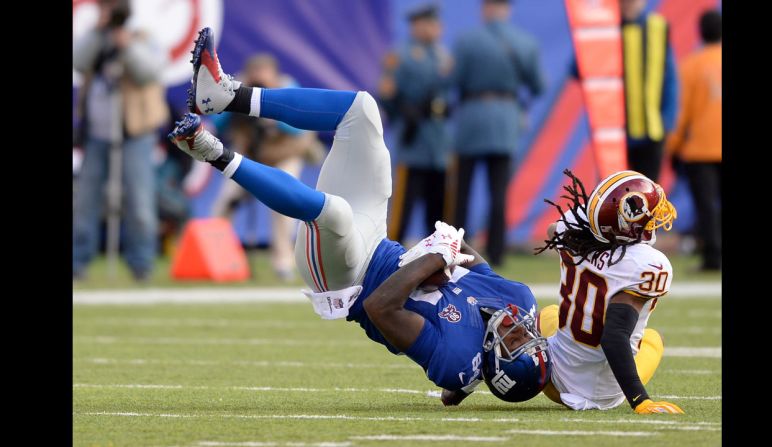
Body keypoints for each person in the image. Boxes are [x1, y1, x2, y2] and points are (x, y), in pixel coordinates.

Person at [173, 27, 551, 404]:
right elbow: (476, 265)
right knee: (362, 110)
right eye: (526, 334)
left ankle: (210, 151)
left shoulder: (457, 359)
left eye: (515, 340)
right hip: (377, 240)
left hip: (347, 279)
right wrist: (453, 243)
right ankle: (226, 95)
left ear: (494, 363)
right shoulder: (517, 298)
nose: (518, 326)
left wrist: (438, 256)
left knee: (333, 213)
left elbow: (380, 307)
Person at [534, 169, 684, 414]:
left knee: (549, 313)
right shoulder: (646, 264)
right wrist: (640, 400)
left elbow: (554, 230)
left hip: (551, 379)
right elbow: (614, 337)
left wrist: (581, 245)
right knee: (654, 339)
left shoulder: (572, 226)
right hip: (604, 394)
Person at [72, 0, 168, 281]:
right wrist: (96, 33)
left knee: (139, 200)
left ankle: (141, 264)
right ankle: (78, 262)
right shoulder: (93, 37)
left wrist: (126, 45)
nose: (107, 14)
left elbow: (149, 73)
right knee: (86, 201)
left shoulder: (143, 37)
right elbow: (78, 62)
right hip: (97, 134)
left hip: (134, 132)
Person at [448, 0, 545, 266]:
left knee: (462, 192)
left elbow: (452, 81)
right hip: (505, 119)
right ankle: (497, 251)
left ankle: (455, 249)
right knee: (499, 192)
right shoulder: (523, 41)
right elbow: (538, 85)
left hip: (471, 117)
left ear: (485, 9)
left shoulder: (467, 41)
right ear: (507, 9)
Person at [210, 54, 322, 280]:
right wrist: (234, 101)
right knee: (225, 201)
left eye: (264, 73)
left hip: (284, 155)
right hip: (252, 158)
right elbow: (218, 122)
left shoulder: (287, 88)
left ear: (274, 74)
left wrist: (271, 114)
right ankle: (214, 258)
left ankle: (283, 262)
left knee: (285, 203)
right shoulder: (237, 88)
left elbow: (300, 126)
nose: (260, 79)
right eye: (255, 73)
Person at [378, 3, 453, 244]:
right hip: (414, 140)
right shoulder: (402, 56)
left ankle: (438, 251)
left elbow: (450, 92)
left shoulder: (442, 55)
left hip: (438, 141)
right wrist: (403, 110)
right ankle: (394, 248)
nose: (436, 28)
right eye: (431, 24)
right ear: (417, 26)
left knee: (439, 205)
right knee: (404, 204)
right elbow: (387, 92)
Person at [666, 10, 722, 271]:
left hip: (701, 149)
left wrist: (672, 147)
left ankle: (712, 258)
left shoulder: (691, 65)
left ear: (700, 32)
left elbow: (681, 112)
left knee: (706, 206)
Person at [619, 0, 679, 182]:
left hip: (651, 130)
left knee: (649, 194)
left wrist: (667, 119)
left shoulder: (657, 27)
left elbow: (670, 77)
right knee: (612, 194)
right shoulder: (606, 30)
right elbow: (579, 67)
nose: (629, 5)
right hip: (617, 132)